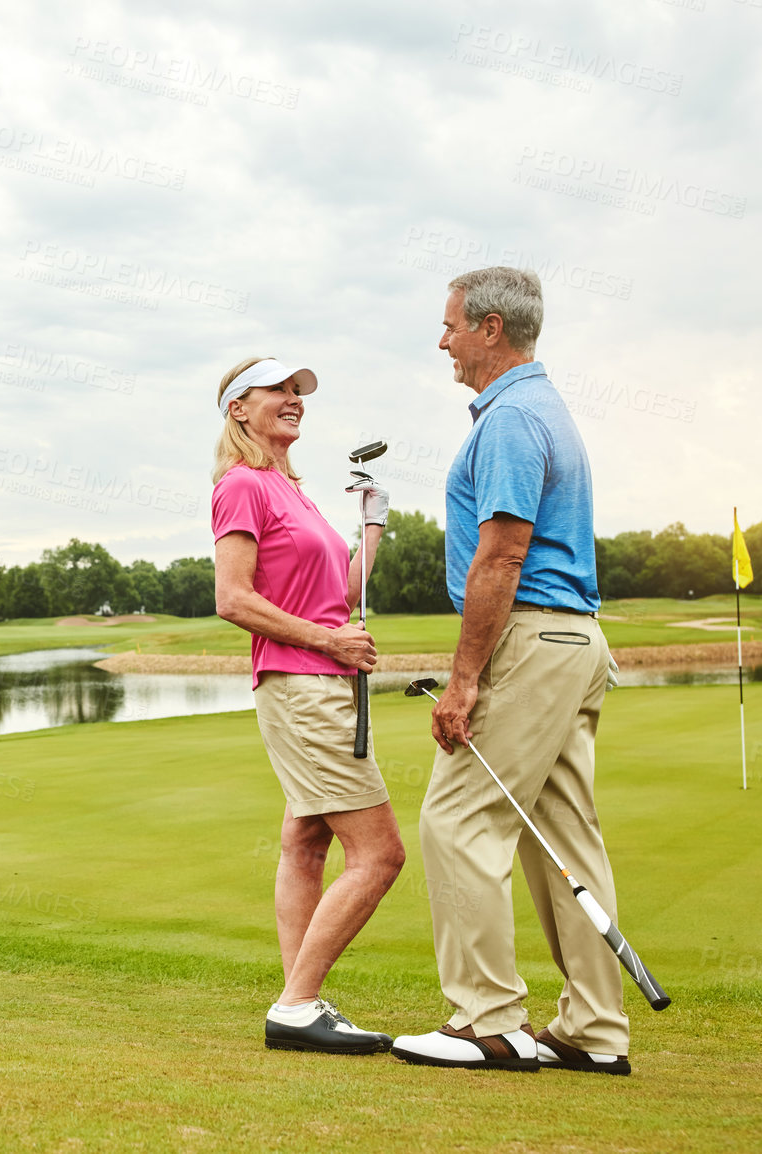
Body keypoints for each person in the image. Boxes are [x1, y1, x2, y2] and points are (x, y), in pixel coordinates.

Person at [390, 267, 632, 1074]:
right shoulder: (542, 409)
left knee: (457, 822)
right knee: (561, 833)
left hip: (529, 640)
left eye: (452, 325)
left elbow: (501, 555)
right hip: (574, 642)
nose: (443, 340)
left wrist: (463, 679)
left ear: (491, 328)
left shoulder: (510, 419)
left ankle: (487, 1022)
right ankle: (594, 1030)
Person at [210, 355, 404, 1055]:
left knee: (305, 840)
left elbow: (338, 595)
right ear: (238, 408)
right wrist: (332, 644)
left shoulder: (290, 489)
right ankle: (295, 1006)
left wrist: (372, 526)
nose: (294, 399)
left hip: (317, 678)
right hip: (302, 684)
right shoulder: (242, 485)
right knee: (379, 855)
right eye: (278, 390)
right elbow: (233, 599)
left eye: (299, 391)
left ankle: (302, 1001)